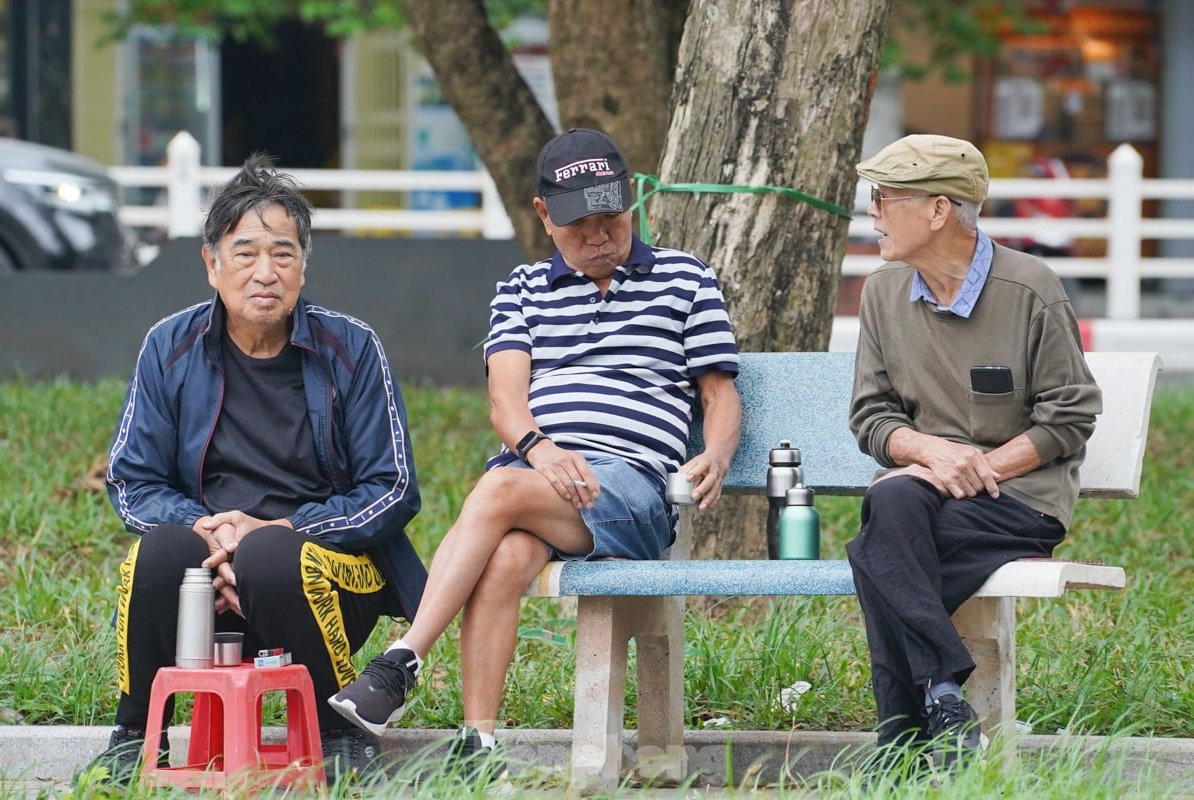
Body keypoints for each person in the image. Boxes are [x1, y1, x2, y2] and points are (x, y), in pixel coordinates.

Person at [328, 127, 742, 776]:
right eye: (581, 224)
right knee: (506, 557)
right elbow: (505, 403)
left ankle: (401, 661)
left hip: (630, 492)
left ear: (631, 201)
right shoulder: (521, 289)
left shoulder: (685, 280)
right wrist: (541, 449)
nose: (600, 235)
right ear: (544, 216)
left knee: (496, 490)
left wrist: (716, 455)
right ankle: (478, 745)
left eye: (611, 217)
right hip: (540, 482)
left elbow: (719, 395)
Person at [81, 154, 427, 787]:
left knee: (271, 557)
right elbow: (133, 480)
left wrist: (278, 530)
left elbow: (394, 489)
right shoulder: (171, 345)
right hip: (209, 580)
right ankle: (133, 734)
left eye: (284, 253)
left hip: (323, 569)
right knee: (160, 553)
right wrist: (209, 532)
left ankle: (339, 731)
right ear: (212, 264)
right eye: (245, 253)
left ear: (303, 264)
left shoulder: (351, 347)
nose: (265, 272)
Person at [845, 134, 1102, 771]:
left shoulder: (1030, 288)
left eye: (884, 197)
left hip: (1020, 501)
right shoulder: (882, 292)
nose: (872, 212)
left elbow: (1070, 415)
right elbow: (872, 415)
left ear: (938, 210)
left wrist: (980, 467)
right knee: (896, 501)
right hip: (925, 497)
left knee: (881, 549)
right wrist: (928, 451)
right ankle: (942, 698)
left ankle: (900, 741)